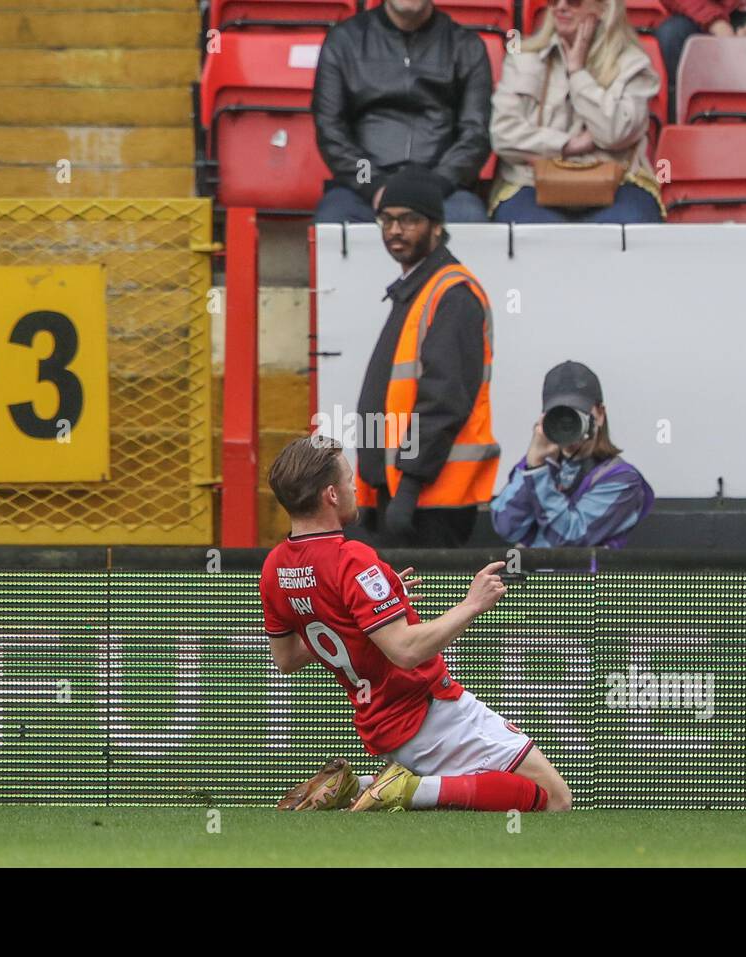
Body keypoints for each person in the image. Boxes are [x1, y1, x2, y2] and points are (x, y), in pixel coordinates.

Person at [261, 435, 573, 813]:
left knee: (497, 791)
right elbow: (405, 650)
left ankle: (356, 785)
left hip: (382, 724)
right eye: (347, 479)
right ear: (331, 494)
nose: (354, 486)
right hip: (428, 710)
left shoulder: (275, 566)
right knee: (555, 799)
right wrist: (472, 604)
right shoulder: (352, 559)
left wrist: (356, 617)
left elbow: (287, 659)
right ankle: (404, 790)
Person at [352, 166, 499, 548]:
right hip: (401, 493)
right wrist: (371, 486)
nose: (395, 230)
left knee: (429, 609)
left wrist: (408, 488)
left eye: (409, 220)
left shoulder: (452, 294)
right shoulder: (416, 289)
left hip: (430, 502)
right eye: (387, 219)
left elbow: (444, 401)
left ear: (436, 226)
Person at [311, 0, 491, 224]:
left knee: (469, 219)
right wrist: (372, 184)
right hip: (362, 187)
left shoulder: (466, 46)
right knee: (332, 223)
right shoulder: (344, 41)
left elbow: (476, 134)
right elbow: (331, 130)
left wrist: (435, 185)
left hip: (442, 187)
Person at [489, 0, 665, 224]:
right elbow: (502, 135)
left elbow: (615, 134)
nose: (561, 7)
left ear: (603, 9)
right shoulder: (523, 58)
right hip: (530, 181)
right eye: (553, 1)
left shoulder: (631, 64)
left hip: (618, 181)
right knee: (534, 232)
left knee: (623, 228)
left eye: (573, 1)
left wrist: (578, 73)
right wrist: (568, 145)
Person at [491, 361, 653, 547]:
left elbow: (569, 538)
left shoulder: (623, 480)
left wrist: (538, 475)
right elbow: (507, 527)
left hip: (582, 576)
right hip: (531, 574)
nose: (567, 423)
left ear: (599, 415)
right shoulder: (539, 464)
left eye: (576, 413)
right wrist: (534, 464)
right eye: (558, 413)